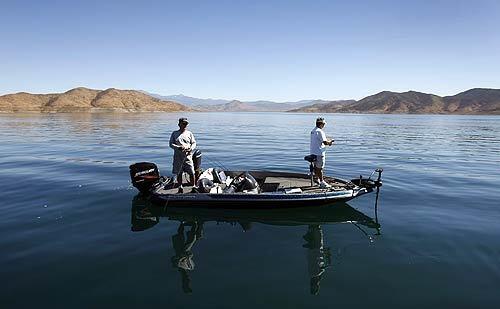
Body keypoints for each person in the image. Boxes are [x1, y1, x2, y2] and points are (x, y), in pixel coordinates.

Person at [169, 118, 197, 186]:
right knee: (179, 172)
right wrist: (179, 147)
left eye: (186, 124)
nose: (185, 125)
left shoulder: (189, 133)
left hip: (188, 156)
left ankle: (193, 186)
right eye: (183, 123)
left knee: (191, 172)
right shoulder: (174, 133)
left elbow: (194, 143)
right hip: (178, 157)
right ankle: (180, 186)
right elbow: (171, 144)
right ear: (179, 124)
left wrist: (191, 148)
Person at [310, 117, 333, 188]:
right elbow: (325, 142)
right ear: (321, 124)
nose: (324, 125)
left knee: (316, 167)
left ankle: (317, 179)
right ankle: (322, 182)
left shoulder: (313, 131)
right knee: (320, 169)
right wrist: (330, 142)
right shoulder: (320, 131)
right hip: (319, 153)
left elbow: (318, 141)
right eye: (324, 124)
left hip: (313, 152)